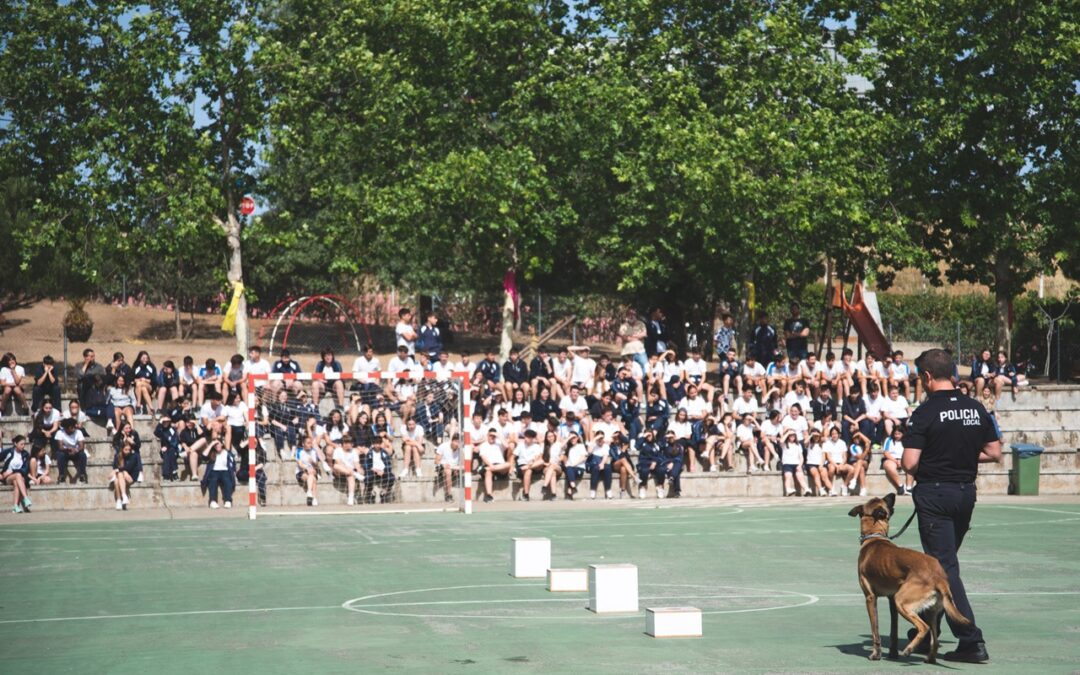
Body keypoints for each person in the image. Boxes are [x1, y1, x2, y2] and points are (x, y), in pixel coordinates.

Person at [900, 348, 1001, 664]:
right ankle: (929, 631)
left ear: (927, 376)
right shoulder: (975, 407)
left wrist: (935, 461)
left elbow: (910, 463)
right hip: (965, 493)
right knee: (941, 564)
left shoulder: (925, 412)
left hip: (936, 495)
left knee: (944, 569)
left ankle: (971, 640)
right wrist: (960, 457)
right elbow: (995, 452)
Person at [1, 435, 32, 513]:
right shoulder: (8, 452)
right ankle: (25, 498)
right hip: (7, 477)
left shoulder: (25, 454)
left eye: (24, 444)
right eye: (21, 444)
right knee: (18, 475)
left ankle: (15, 507)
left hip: (19, 477)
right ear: (15, 443)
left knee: (16, 481)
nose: (23, 446)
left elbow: (25, 469)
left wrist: (12, 471)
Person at [332, 434, 364, 506]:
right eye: (345, 443)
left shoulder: (354, 452)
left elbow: (357, 464)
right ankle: (355, 474)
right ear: (342, 444)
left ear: (352, 444)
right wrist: (350, 470)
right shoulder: (337, 450)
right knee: (336, 466)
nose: (347, 445)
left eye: (349, 443)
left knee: (350, 476)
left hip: (349, 472)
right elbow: (338, 462)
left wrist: (359, 470)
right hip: (339, 471)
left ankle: (351, 498)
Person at [111, 441, 142, 511]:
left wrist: (118, 471)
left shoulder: (133, 456)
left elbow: (128, 468)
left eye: (129, 450)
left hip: (131, 477)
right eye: (126, 449)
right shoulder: (117, 456)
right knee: (116, 480)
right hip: (121, 478)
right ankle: (121, 499)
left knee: (121, 473)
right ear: (122, 449)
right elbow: (114, 467)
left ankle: (120, 500)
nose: (128, 451)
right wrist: (119, 471)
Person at [55, 417, 88, 483]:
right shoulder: (60, 432)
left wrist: (76, 450)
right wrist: (67, 449)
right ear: (66, 428)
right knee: (60, 454)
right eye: (71, 427)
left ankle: (82, 474)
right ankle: (61, 475)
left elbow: (81, 446)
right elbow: (60, 446)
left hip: (76, 451)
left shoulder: (78, 432)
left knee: (83, 455)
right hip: (65, 452)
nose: (73, 429)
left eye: (74, 427)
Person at [434, 434, 461, 503]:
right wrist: (444, 465)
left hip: (455, 468)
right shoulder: (443, 446)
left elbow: (463, 463)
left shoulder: (461, 449)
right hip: (442, 467)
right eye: (456, 442)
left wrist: (457, 468)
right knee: (448, 471)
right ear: (452, 441)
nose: (457, 444)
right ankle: (449, 495)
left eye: (459, 442)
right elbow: (436, 461)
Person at [131, 350, 157, 414]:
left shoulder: (151, 367)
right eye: (143, 358)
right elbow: (132, 379)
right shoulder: (136, 367)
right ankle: (151, 408)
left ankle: (138, 405)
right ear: (139, 358)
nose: (145, 360)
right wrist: (138, 380)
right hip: (138, 387)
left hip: (149, 386)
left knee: (140, 384)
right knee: (143, 388)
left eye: (146, 358)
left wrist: (146, 380)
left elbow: (154, 380)